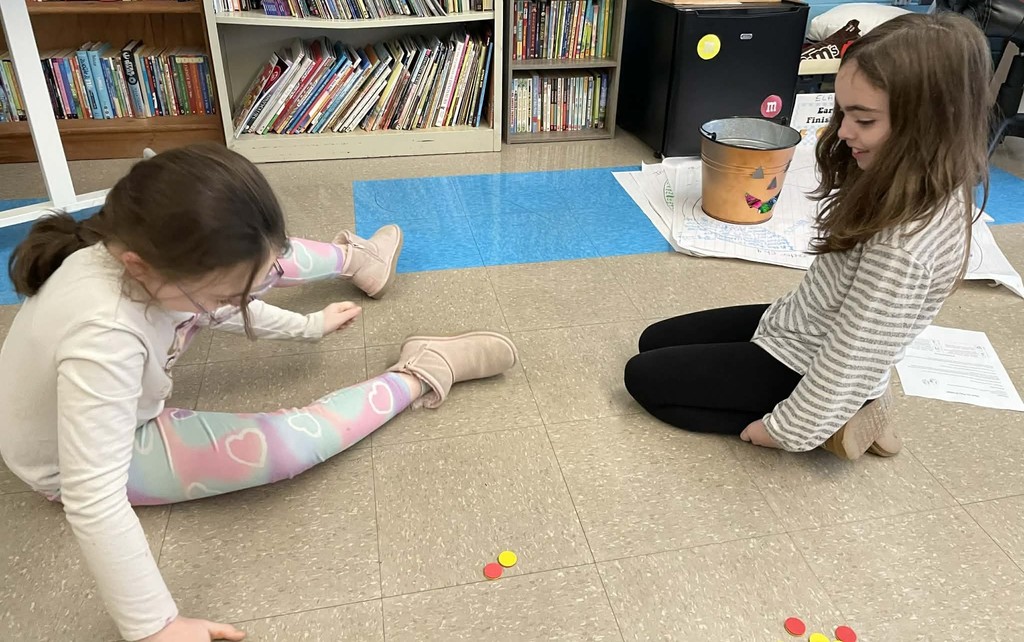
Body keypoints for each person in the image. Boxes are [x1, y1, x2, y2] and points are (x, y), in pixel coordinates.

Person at [0, 143, 518, 642]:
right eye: (231, 293)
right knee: (285, 447)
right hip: (75, 460)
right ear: (140, 267)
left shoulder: (142, 240)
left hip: (120, 390)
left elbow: (226, 299)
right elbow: (94, 498)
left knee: (260, 256)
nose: (246, 300)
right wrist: (154, 625)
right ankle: (421, 371)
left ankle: (360, 260)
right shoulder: (105, 338)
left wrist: (309, 325)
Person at [624, 12, 991, 459]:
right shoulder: (906, 173)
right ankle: (857, 403)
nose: (844, 131)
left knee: (643, 379)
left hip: (812, 364)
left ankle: (839, 422)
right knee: (654, 339)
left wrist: (785, 429)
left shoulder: (905, 249)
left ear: (931, 124)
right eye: (843, 113)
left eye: (865, 120)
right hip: (803, 324)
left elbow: (853, 354)